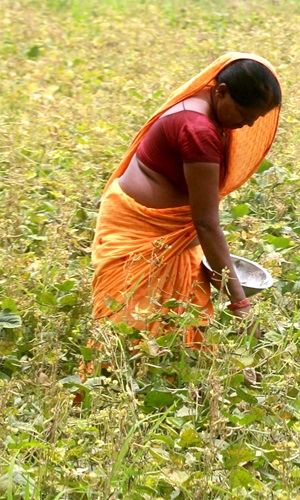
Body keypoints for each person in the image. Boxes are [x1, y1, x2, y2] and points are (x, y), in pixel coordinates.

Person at [91, 53, 281, 344]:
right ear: (221, 92)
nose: (248, 126)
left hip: (165, 237)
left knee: (170, 335)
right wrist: (240, 305)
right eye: (244, 116)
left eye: (255, 119)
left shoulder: (201, 104)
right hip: (142, 236)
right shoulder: (199, 132)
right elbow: (206, 223)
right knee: (129, 336)